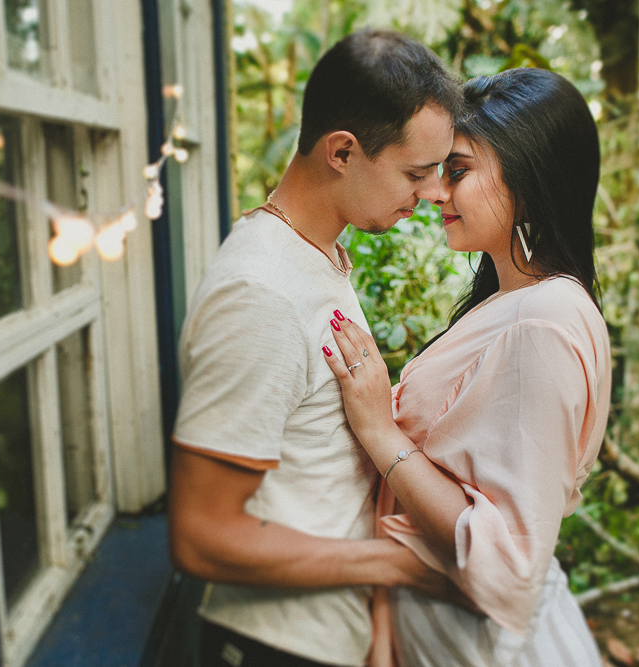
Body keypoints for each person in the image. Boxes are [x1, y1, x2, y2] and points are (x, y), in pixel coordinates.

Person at [168, 30, 466, 667]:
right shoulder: (260, 294)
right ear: (342, 152)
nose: (433, 193)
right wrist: (396, 566)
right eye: (416, 173)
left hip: (331, 635)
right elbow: (202, 536)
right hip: (274, 645)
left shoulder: (316, 255)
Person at [322, 67, 609, 666]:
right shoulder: (521, 303)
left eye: (457, 171)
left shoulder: (543, 320)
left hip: (488, 646)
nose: (435, 193)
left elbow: (508, 564)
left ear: (529, 178)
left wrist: (380, 431)